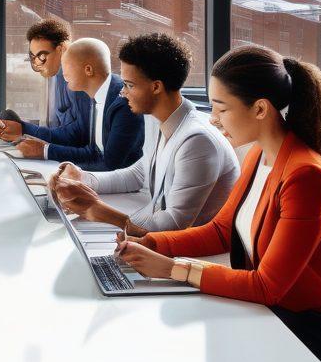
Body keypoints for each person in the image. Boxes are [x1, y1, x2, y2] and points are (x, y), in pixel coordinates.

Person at [116, 45, 321, 362]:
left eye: (221, 108)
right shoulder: (259, 154)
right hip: (279, 315)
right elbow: (220, 231)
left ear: (260, 108)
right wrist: (149, 243)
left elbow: (268, 286)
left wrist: (173, 269)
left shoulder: (306, 176)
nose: (213, 119)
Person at [52, 33, 238, 233]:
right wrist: (80, 178)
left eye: (129, 85)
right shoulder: (166, 122)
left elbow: (175, 223)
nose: (123, 92)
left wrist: (97, 210)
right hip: (158, 236)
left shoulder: (197, 140)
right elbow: (137, 175)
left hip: (189, 253)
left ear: (156, 86)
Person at [0, 38, 143, 169]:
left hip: (121, 190)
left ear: (88, 70)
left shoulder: (123, 103)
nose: (63, 72)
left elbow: (109, 162)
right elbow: (74, 134)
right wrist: (24, 128)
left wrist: (45, 151)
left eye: (67, 65)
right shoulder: (93, 94)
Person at [0, 17, 83, 154]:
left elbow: (77, 137)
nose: (37, 63)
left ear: (61, 49)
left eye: (41, 56)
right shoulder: (53, 76)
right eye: (33, 57)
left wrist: (24, 129)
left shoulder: (76, 82)